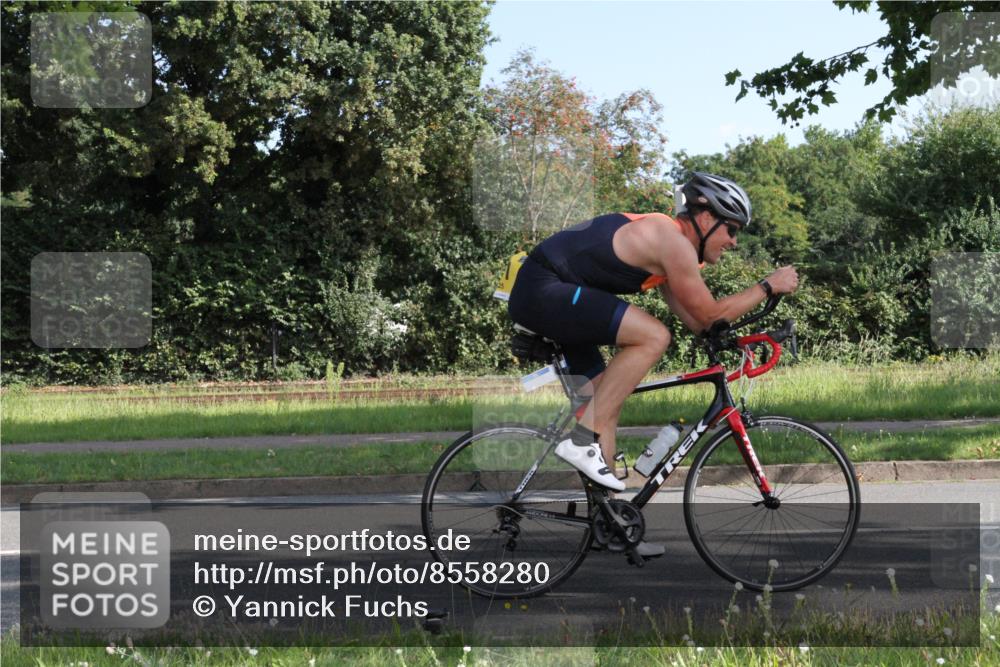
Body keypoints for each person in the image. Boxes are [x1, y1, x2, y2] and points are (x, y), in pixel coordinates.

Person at [508, 172, 799, 499]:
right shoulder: (672, 242)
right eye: (731, 229)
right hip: (543, 288)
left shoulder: (672, 252)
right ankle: (581, 441)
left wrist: (738, 339)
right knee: (653, 336)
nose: (734, 241)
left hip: (554, 295)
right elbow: (710, 313)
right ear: (705, 218)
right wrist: (767, 285)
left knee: (605, 404)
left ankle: (610, 524)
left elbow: (701, 323)